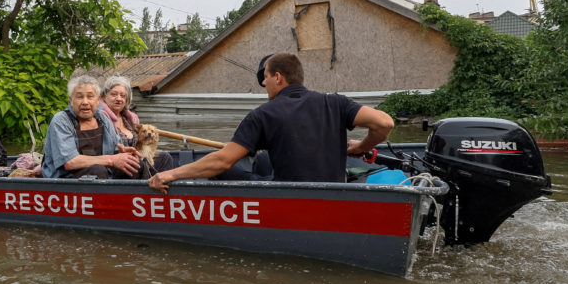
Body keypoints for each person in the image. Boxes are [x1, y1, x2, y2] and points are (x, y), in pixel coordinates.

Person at [148, 52, 395, 192]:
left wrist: (171, 174)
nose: (263, 84)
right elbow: (384, 123)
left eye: (265, 77)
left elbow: (223, 160)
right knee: (265, 158)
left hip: (289, 198)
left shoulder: (263, 114)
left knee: (223, 168)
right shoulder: (336, 103)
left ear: (278, 77)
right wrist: (362, 147)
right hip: (336, 193)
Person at [41, 75, 143, 179]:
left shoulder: (102, 118)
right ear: (71, 100)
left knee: (136, 164)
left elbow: (116, 147)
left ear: (98, 100)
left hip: (102, 174)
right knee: (97, 170)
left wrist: (123, 153)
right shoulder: (61, 120)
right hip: (66, 179)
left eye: (90, 96)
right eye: (80, 97)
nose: (85, 102)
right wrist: (112, 160)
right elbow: (70, 162)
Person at [99, 75, 175, 174]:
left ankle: (164, 185)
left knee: (165, 157)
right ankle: (151, 183)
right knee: (138, 163)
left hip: (136, 159)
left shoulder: (130, 119)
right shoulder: (101, 118)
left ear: (127, 99)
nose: (118, 99)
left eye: (122, 96)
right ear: (105, 96)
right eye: (114, 94)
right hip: (117, 164)